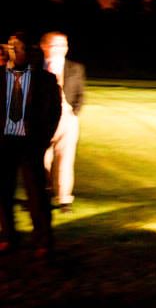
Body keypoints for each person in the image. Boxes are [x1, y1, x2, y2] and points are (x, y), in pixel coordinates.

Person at [0, 32, 62, 258]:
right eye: (12, 47)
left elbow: (55, 111)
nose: (14, 51)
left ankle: (43, 240)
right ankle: (8, 236)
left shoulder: (45, 79)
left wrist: (44, 139)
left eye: (19, 47)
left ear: (29, 50)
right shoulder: (2, 76)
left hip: (31, 144)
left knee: (37, 194)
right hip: (5, 144)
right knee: (3, 193)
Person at [40, 32, 85, 213]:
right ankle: (45, 192)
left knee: (65, 160)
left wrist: (73, 112)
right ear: (44, 46)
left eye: (64, 44)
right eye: (55, 44)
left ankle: (65, 199)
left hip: (67, 119)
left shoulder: (76, 68)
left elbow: (81, 95)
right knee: (42, 160)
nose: (61, 48)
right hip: (41, 120)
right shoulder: (35, 67)